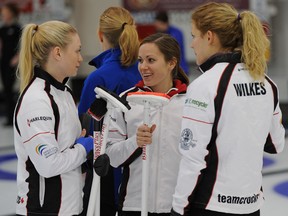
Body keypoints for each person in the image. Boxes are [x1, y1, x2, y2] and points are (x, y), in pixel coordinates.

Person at [171, 2, 285, 216]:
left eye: (194, 35)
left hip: (210, 206)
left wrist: (178, 209)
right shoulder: (267, 83)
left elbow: (193, 158)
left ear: (209, 37)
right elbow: (276, 144)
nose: (192, 44)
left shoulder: (205, 86)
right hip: (252, 206)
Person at [14, 20, 93, 216]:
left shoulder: (64, 92)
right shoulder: (37, 100)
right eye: (77, 51)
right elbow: (49, 165)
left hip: (68, 206)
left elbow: (65, 147)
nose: (81, 58)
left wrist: (81, 148)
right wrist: (84, 147)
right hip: (44, 210)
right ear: (58, 53)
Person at [105, 33, 189, 216]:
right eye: (140, 60)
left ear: (171, 63)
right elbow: (111, 156)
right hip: (134, 205)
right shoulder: (127, 101)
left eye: (151, 60)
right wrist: (135, 141)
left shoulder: (191, 102)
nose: (143, 67)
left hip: (177, 205)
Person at [78, 6, 142, 216]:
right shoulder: (147, 70)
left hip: (105, 172)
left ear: (100, 35)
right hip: (142, 167)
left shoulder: (98, 78)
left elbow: (83, 130)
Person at [0, 2, 21, 126]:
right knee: (6, 89)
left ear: (12, 13)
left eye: (6, 12)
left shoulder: (17, 28)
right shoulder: (2, 29)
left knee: (11, 88)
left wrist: (17, 58)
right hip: (3, 62)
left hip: (13, 62)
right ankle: (9, 116)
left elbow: (21, 45)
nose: (4, 14)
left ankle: (14, 116)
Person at [154, 11, 189, 75]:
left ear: (164, 23)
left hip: (180, 69)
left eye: (158, 25)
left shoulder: (176, 33)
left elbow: (170, 49)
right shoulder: (159, 33)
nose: (157, 28)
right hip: (168, 69)